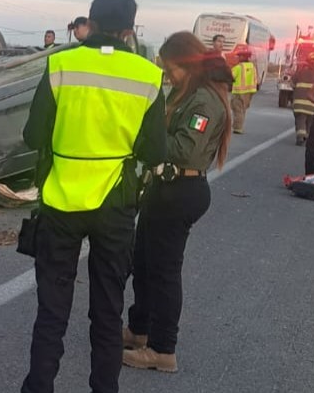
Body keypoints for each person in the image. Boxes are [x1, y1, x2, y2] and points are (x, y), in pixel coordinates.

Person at [20, 0, 167, 393]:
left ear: (92, 21)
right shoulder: (148, 75)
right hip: (116, 203)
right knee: (107, 311)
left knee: (52, 309)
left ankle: (39, 387)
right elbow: (155, 149)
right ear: (129, 30)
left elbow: (33, 135)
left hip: (61, 200)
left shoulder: (61, 64)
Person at [122, 32, 231, 374]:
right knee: (143, 263)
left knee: (164, 273)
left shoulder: (205, 101)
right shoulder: (184, 92)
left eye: (171, 70)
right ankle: (139, 330)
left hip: (181, 191)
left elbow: (185, 149)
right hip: (163, 187)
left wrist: (146, 135)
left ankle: (162, 349)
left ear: (186, 64)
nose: (168, 76)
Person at [291, 52, 314, 146]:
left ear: (307, 62)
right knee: (310, 121)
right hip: (313, 103)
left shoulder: (300, 72)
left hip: (299, 102)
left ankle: (300, 136)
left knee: (300, 119)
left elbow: (292, 84)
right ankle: (307, 136)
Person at [229, 45, 257, 134]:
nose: (238, 58)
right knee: (242, 110)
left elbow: (230, 77)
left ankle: (237, 128)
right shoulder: (252, 66)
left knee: (237, 110)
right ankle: (239, 126)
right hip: (249, 92)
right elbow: (256, 79)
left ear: (243, 57)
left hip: (239, 92)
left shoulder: (238, 67)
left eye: (239, 56)